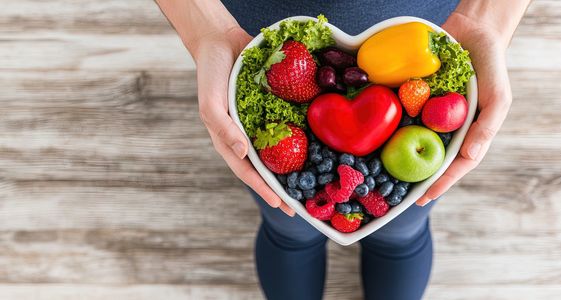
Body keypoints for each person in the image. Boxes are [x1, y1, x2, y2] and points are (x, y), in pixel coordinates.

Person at [155, 1, 530, 299]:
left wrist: (487, 18)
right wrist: (207, 27)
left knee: (402, 230)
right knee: (289, 227)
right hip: (264, 52)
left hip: (430, 39)